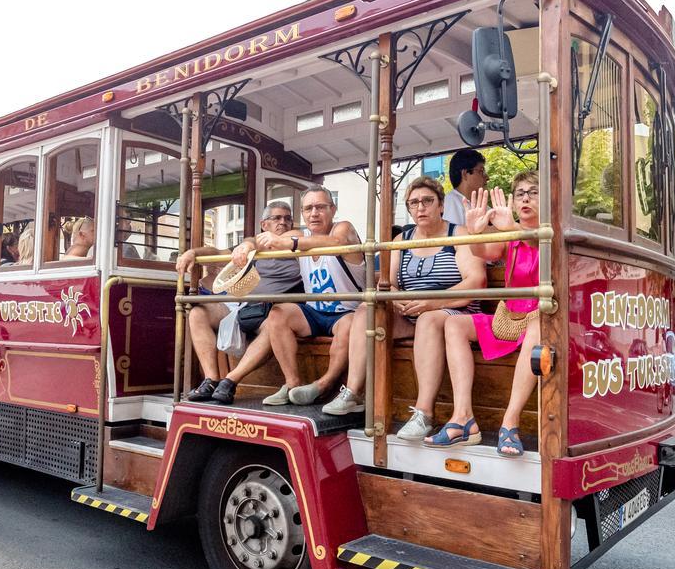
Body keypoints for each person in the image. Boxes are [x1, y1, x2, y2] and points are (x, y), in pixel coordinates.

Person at [325, 177, 485, 429]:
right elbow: (387, 283)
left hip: (452, 312)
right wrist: (396, 300)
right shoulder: (402, 239)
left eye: (427, 201)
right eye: (414, 203)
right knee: (368, 309)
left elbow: (475, 282)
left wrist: (429, 302)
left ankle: (424, 413)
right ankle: (354, 393)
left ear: (441, 205)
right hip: (410, 312)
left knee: (428, 319)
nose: (420, 207)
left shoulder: (459, 234)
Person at [211, 186, 364, 407]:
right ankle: (292, 385)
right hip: (314, 312)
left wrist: (289, 243)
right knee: (277, 314)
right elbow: (262, 240)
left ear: (333, 209)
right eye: (308, 208)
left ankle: (324, 385)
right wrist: (245, 245)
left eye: (320, 207)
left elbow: (337, 243)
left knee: (351, 323)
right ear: (302, 213)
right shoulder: (300, 235)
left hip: (345, 312)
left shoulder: (343, 228)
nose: (314, 213)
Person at [428, 171, 541, 455]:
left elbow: (543, 246)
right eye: (520, 194)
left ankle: (510, 423)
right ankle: (463, 419)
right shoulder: (508, 234)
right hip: (508, 318)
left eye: (533, 192)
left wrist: (512, 226)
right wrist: (474, 232)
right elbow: (484, 253)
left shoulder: (549, 231)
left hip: (539, 322)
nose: (525, 198)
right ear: (513, 202)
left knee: (541, 325)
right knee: (454, 326)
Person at [180, 202, 304, 404]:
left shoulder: (295, 240)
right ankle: (211, 379)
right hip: (244, 307)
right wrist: (192, 253)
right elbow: (218, 253)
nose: (283, 222)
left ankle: (230, 381)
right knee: (197, 313)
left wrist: (249, 242)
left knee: (274, 323)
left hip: (274, 310)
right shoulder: (251, 247)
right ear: (264, 224)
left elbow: (295, 236)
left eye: (287, 218)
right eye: (277, 218)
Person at [442, 149, 488, 226]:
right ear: (465, 174)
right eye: (481, 171)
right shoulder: (451, 202)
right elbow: (453, 235)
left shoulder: (480, 204)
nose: (487, 177)